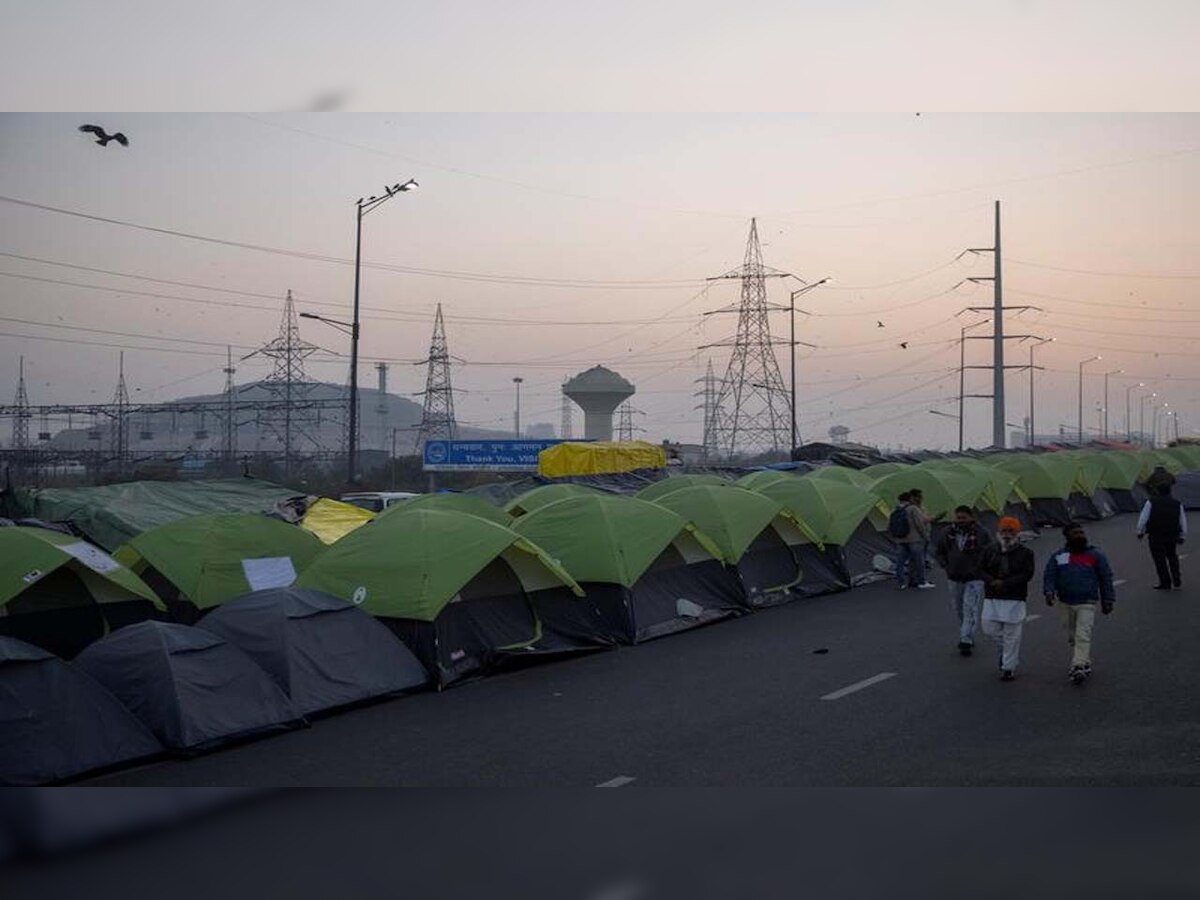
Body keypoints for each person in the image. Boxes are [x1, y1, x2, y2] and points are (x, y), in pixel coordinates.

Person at [1042, 522, 1117, 685]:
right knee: (1072, 636)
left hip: (1087, 602)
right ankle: (1084, 660)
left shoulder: (1095, 555)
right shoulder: (1059, 556)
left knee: (1083, 634)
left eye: (1082, 532)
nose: (1080, 536)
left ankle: (1078, 666)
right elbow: (1050, 575)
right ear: (1067, 537)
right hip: (1065, 602)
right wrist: (1049, 592)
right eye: (1076, 533)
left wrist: (1108, 600)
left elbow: (1106, 578)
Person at [980, 516, 1036, 681]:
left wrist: (1006, 583)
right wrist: (992, 581)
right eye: (1004, 530)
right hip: (992, 596)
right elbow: (980, 569)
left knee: (1012, 634)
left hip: (1015, 597)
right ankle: (1008, 655)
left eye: (1010, 531)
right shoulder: (989, 550)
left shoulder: (1026, 553)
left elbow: (1027, 573)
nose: (1006, 534)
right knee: (989, 629)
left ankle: (1008, 667)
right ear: (998, 532)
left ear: (1017, 532)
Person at [934, 505, 993, 656]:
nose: (960, 521)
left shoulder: (981, 533)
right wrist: (946, 566)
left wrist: (983, 570)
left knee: (970, 607)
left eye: (963, 518)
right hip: (954, 576)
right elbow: (939, 551)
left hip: (974, 578)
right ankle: (966, 632)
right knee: (959, 608)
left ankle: (965, 639)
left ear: (971, 517)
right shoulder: (948, 533)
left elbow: (990, 553)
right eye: (958, 518)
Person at [1136, 487, 1187, 590]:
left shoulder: (1151, 502)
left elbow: (1143, 518)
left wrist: (1140, 532)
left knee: (1159, 559)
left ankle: (1165, 582)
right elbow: (1182, 520)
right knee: (1172, 556)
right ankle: (1176, 578)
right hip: (1172, 534)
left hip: (1156, 534)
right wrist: (1182, 535)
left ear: (1157, 492)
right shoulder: (1177, 504)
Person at [891, 491, 934, 590]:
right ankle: (921, 581)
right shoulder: (913, 508)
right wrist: (926, 536)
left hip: (900, 540)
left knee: (900, 562)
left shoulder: (896, 509)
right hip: (914, 539)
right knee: (919, 561)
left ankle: (901, 583)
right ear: (909, 498)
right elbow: (919, 524)